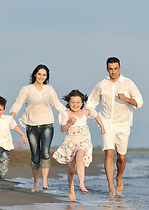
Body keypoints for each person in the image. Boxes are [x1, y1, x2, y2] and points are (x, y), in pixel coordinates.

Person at [86, 57, 143, 198]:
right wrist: (88, 116)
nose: (113, 71)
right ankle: (111, 187)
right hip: (106, 123)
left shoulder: (128, 83)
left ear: (120, 68)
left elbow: (140, 102)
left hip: (124, 124)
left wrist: (126, 99)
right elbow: (91, 104)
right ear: (107, 69)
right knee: (109, 153)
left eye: (115, 68)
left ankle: (119, 177)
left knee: (121, 157)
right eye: (110, 69)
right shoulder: (101, 85)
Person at [10, 64, 66, 192]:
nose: (41, 77)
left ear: (47, 77)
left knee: (45, 152)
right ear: (35, 74)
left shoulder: (49, 89)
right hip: (31, 126)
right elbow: (18, 103)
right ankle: (36, 184)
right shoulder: (26, 89)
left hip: (47, 124)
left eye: (44, 75)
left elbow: (58, 105)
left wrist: (69, 113)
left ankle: (45, 182)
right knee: (35, 155)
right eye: (39, 74)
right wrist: (12, 115)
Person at [53, 89, 105, 201]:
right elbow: (62, 129)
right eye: (72, 102)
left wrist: (102, 126)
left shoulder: (86, 112)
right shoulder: (65, 114)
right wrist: (70, 123)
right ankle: (71, 188)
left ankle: (81, 184)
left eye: (78, 102)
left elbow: (96, 115)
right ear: (69, 102)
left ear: (82, 103)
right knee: (71, 170)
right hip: (70, 142)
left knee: (79, 158)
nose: (75, 105)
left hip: (84, 141)